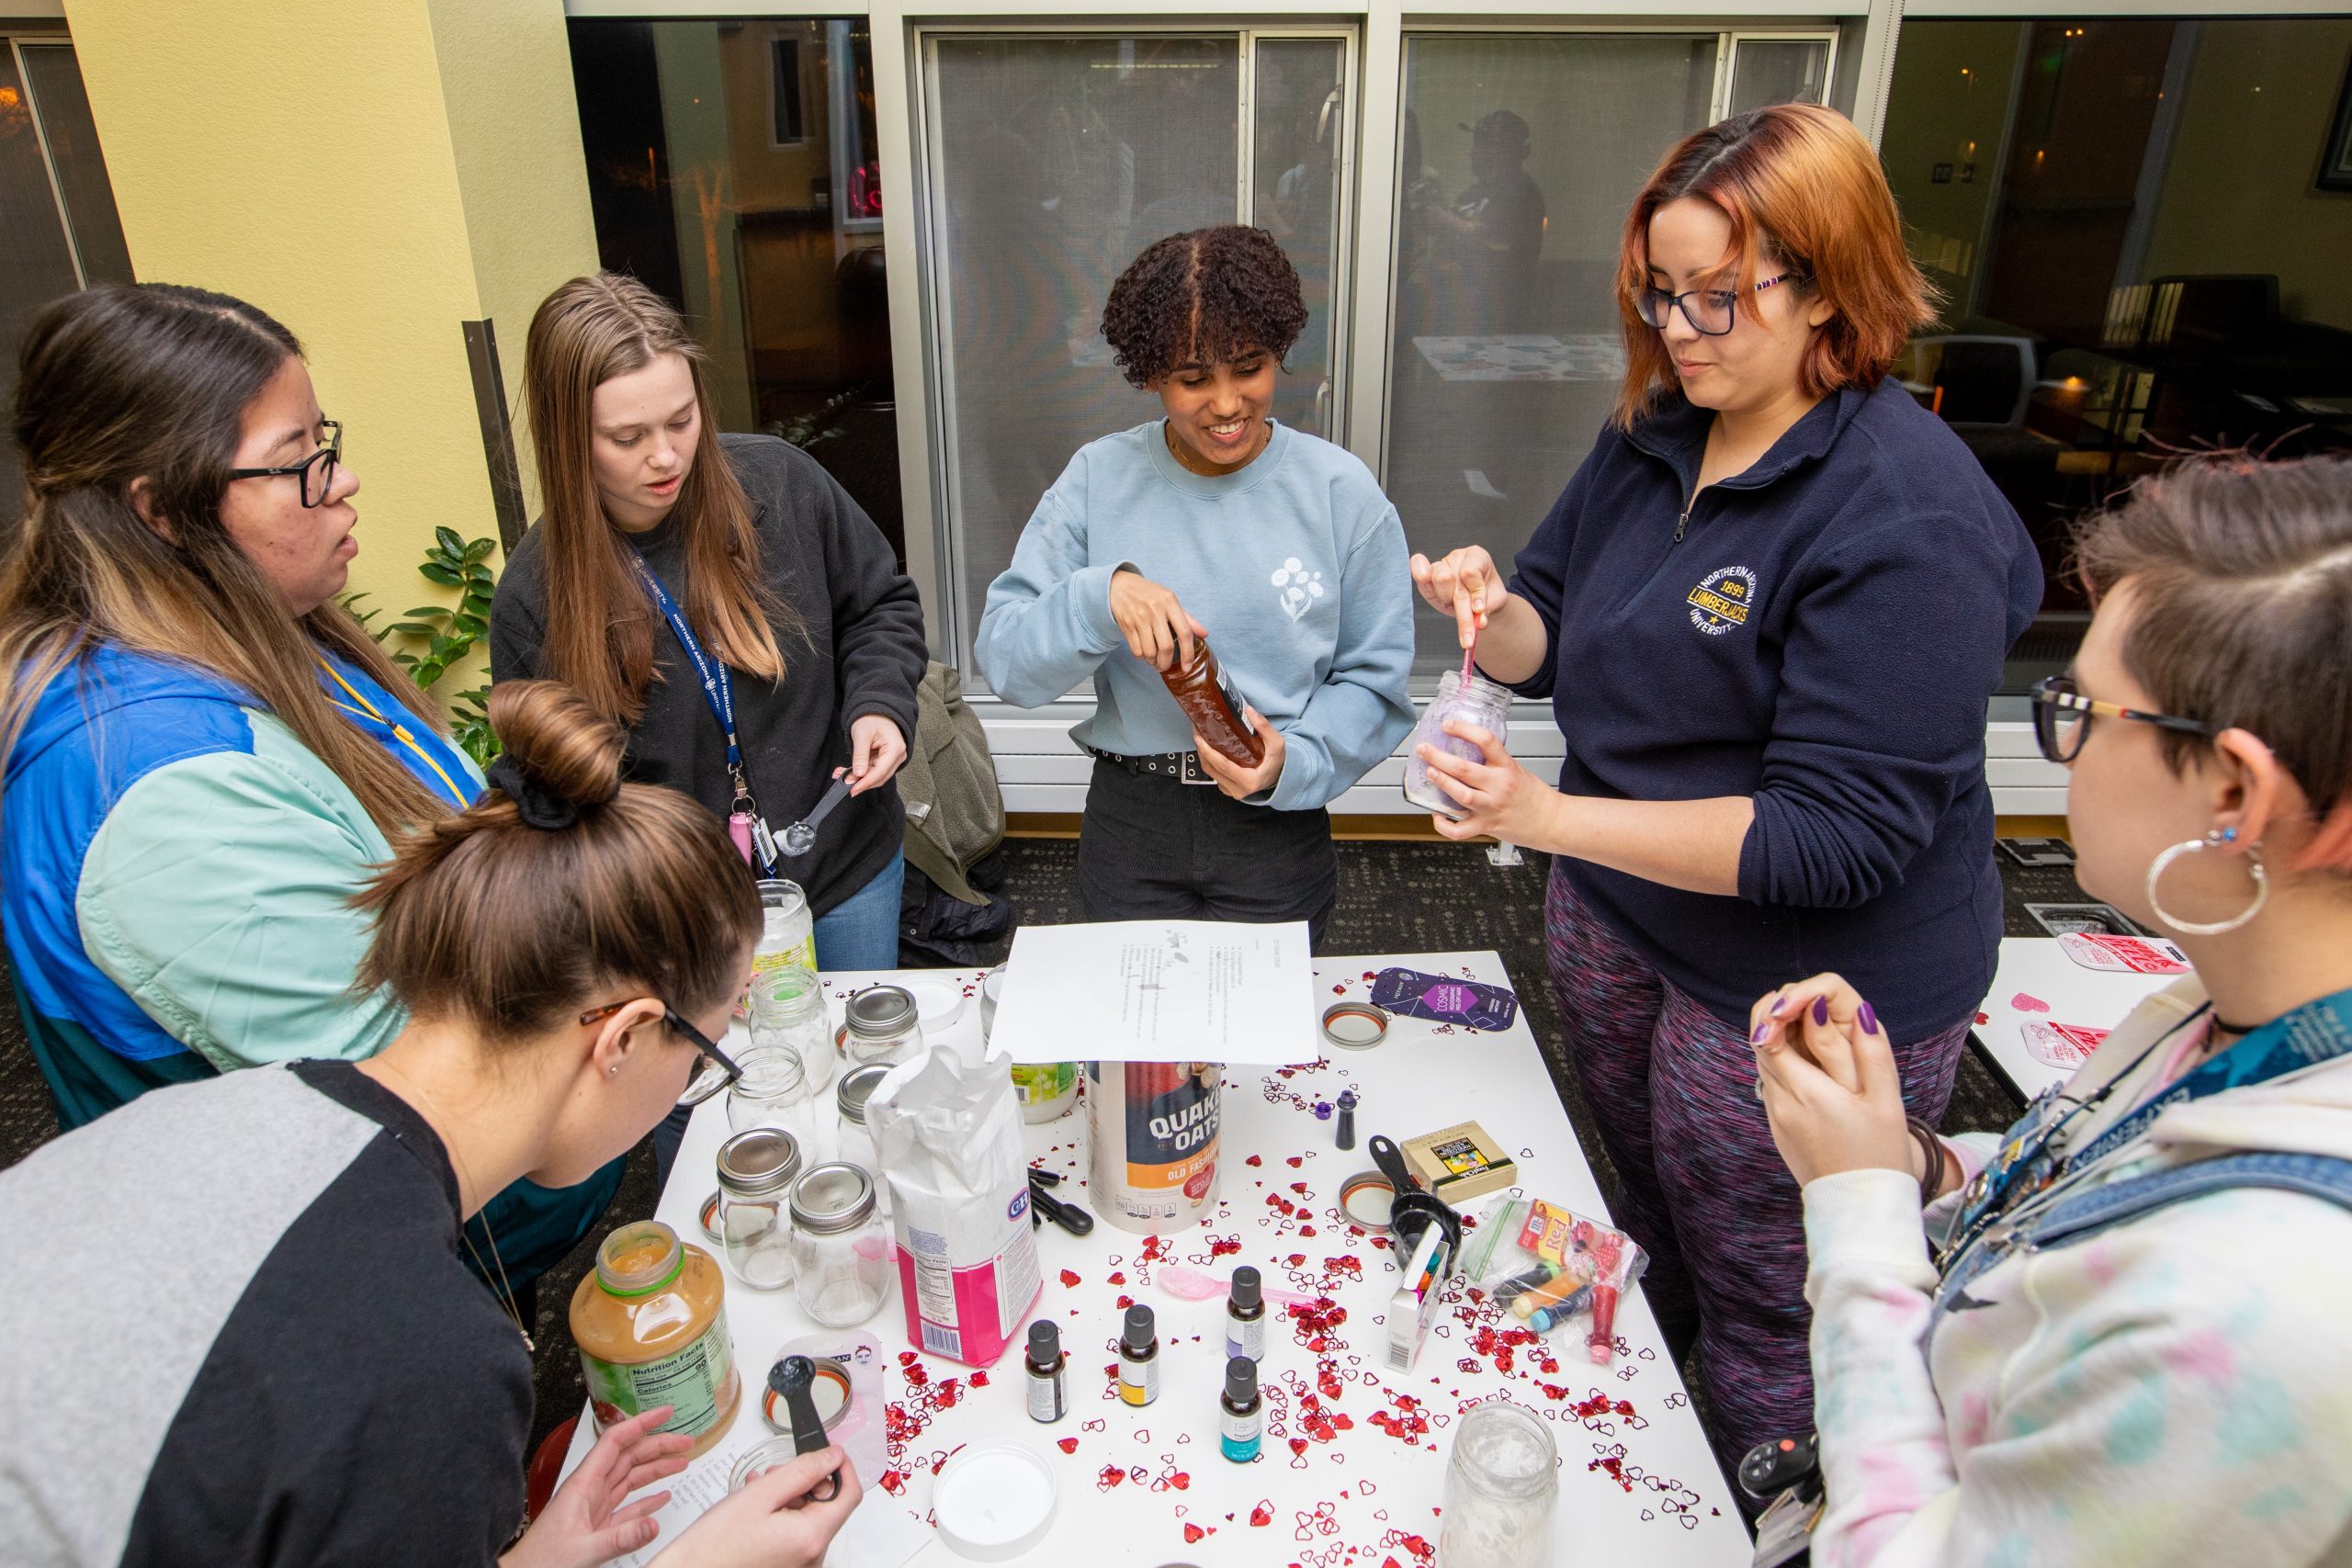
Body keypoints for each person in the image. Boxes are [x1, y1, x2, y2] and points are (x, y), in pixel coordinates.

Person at [1408, 103, 2041, 1470]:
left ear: (1827, 286)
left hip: (1798, 979)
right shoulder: (1658, 427)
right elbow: (1550, 627)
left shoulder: (1903, 511)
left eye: (1718, 296)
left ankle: (1778, 1499)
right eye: (1658, 292)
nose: (1681, 329)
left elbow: (1834, 838)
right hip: (1625, 917)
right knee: (1647, 1202)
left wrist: (1545, 819)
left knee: (1777, 1299)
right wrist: (1486, 607)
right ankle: (1661, 1432)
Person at [0, 679, 863, 1568]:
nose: (690, 1080)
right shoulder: (424, 1366)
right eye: (703, 1055)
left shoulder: (222, 1107)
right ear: (627, 1035)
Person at [1754, 456, 2352, 1565]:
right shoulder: (2237, 1010)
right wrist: (1923, 1168)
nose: (2057, 747)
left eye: (2077, 709)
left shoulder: (2268, 1312)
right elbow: (2108, 1189)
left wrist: (1855, 1209)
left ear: (2233, 793)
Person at [0, 281, 615, 1299]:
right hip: (348, 1285)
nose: (344, 482)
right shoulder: (163, 802)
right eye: (300, 463)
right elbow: (428, 1124)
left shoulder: (259, 635)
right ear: (162, 509)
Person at [976, 225, 1413, 946]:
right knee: (1136, 1050)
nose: (1227, 403)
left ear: (1279, 354)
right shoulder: (1097, 478)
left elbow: (1375, 680)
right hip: (1132, 818)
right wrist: (1100, 596)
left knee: (1263, 1049)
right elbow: (1007, 662)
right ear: (1150, 375)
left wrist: (1293, 763)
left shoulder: (1340, 492)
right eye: (1192, 378)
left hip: (1275, 819)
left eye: (1249, 367)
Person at [491, 272, 925, 976]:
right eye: (627, 437)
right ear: (569, 438)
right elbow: (553, 807)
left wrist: (881, 704)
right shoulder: (534, 593)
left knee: (855, 1064)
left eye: (682, 419)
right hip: (679, 918)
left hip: (845, 863)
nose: (665, 456)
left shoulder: (782, 484)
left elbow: (880, 605)